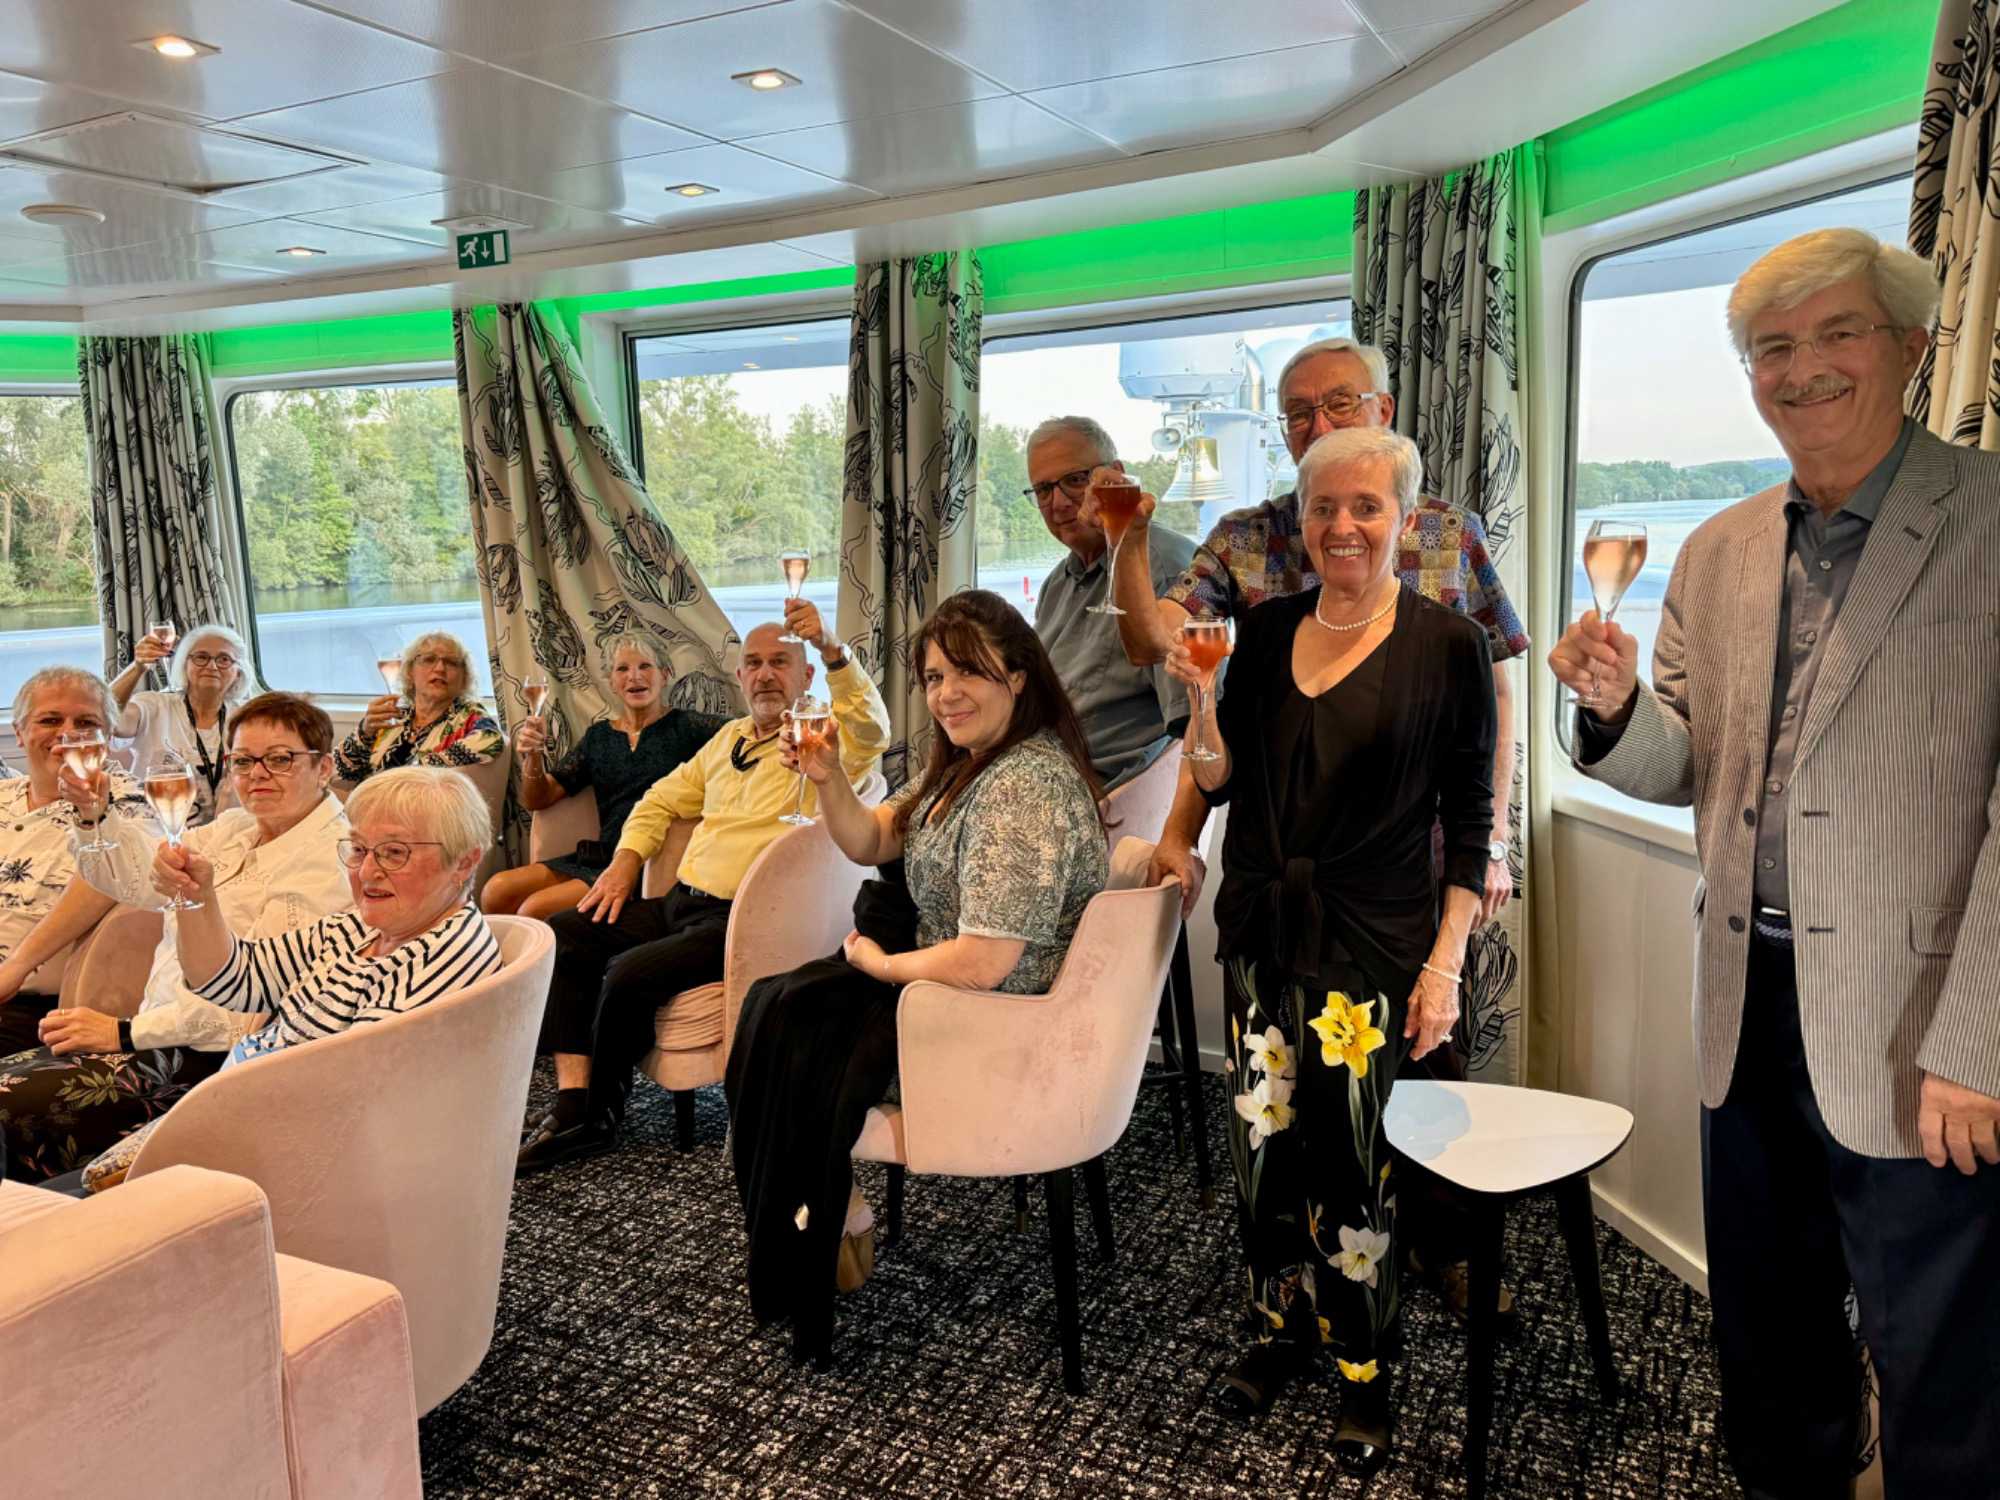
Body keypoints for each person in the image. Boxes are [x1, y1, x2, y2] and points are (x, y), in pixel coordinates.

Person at [1549, 227, 2000, 1498]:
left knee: (1942, 1367)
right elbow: (1686, 766)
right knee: (1767, 1336)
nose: (1800, 369)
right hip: (1744, 1009)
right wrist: (1612, 709)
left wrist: (1979, 1042)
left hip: (1925, 1030)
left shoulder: (1988, 518)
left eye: (1834, 333)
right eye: (1769, 348)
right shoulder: (1716, 549)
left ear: (1909, 343)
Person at [1107, 335, 1528, 1327]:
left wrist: (1496, 841)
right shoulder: (1247, 543)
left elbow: (1494, 697)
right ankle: (1295, 1289)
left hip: (1416, 863)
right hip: (1283, 860)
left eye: (1337, 404)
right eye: (1296, 412)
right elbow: (1177, 663)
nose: (1316, 425)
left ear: (1382, 411)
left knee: (1422, 1070)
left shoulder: (1445, 536)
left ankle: (1436, 1249)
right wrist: (1181, 831)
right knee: (1284, 1103)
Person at [1171, 428, 1493, 1466]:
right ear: (1301, 522)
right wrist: (1199, 699)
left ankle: (1364, 1367)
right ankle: (1280, 1330)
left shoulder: (1449, 646)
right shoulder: (1262, 633)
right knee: (1262, 1152)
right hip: (1263, 931)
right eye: (1323, 508)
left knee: (1355, 1167)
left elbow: (1471, 825)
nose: (1342, 526)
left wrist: (1444, 966)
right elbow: (1218, 778)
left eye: (1365, 506)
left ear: (1406, 518)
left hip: (1371, 946)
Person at [728, 589, 1110, 1365]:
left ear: (1019, 676)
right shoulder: (968, 766)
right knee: (773, 1004)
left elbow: (983, 963)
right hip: (943, 992)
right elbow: (872, 840)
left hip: (993, 1021)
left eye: (968, 672)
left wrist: (881, 964)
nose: (947, 694)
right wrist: (828, 776)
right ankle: (821, 1213)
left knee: (795, 1025)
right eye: (935, 678)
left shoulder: (1023, 786)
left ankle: (820, 1226)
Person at [516, 597, 890, 1173]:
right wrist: (625, 862)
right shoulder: (727, 739)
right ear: (739, 676)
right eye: (754, 664)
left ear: (806, 677)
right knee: (566, 933)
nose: (765, 675)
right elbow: (658, 799)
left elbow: (872, 727)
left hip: (741, 919)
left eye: (780, 663)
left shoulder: (825, 742)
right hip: (679, 902)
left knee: (627, 974)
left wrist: (832, 648)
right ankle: (572, 1099)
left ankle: (598, 1118)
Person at [77, 764, 502, 1191]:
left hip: (279, 1167)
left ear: (464, 862)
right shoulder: (360, 929)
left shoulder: (440, 955)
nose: (366, 871)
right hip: (241, 1120)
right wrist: (195, 896)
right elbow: (232, 979)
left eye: (394, 853)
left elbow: (346, 1105)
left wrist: (199, 1137)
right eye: (358, 849)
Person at [0, 693, 349, 1182]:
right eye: (243, 761)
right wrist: (95, 816)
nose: (257, 774)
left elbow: (248, 1008)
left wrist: (124, 1032)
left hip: (210, 1065)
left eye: (279, 759)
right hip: (150, 1036)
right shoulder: (235, 828)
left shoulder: (329, 864)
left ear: (324, 767)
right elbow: (136, 881)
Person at [483, 633, 726, 921]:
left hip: (647, 862)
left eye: (645, 666)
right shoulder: (598, 737)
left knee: (534, 909)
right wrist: (532, 756)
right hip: (600, 856)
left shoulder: (689, 727)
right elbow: (538, 799)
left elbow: (747, 734)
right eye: (622, 669)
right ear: (611, 682)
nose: (634, 676)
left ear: (665, 674)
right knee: (496, 890)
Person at [1023, 415, 1197, 790]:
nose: (1058, 503)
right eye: (1043, 490)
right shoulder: (1057, 583)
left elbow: (1195, 725)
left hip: (1096, 792)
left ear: (1115, 475)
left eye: (1074, 480)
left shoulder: (1165, 569)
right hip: (1030, 771)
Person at [0, 667, 146, 1055]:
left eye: (86, 723)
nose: (68, 734)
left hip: (30, 1006)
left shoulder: (127, 804)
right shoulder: (4, 795)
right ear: (19, 732)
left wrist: (15, 967)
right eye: (50, 720)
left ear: (108, 736)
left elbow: (108, 878)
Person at [110, 622, 254, 828]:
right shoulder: (154, 706)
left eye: (224, 659)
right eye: (201, 657)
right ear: (184, 665)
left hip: (225, 831)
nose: (212, 666)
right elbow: (108, 719)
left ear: (238, 672)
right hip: (152, 829)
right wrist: (138, 666)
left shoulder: (248, 716)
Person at [332, 630, 503, 782]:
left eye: (451, 662)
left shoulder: (469, 714)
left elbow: (490, 740)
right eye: (429, 659)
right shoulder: (395, 715)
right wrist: (364, 732)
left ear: (464, 678)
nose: (440, 668)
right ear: (409, 672)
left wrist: (417, 769)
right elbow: (341, 771)